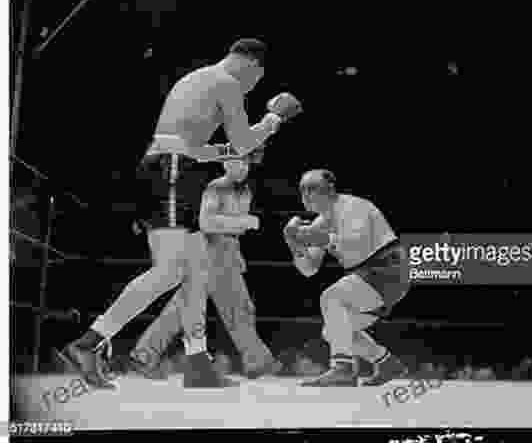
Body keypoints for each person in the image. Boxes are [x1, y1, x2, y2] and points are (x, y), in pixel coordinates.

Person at [57, 38, 302, 389]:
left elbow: (197, 147)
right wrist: (274, 119)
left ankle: (197, 364)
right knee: (170, 270)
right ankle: (89, 342)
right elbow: (245, 143)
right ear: (253, 67)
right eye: (256, 82)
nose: (252, 88)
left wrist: (232, 145)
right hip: (171, 171)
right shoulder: (228, 83)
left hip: (171, 167)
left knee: (195, 272)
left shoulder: (197, 79)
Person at [121, 145, 282, 380]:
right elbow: (207, 222)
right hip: (212, 251)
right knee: (237, 307)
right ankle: (258, 360)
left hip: (223, 252)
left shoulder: (244, 190)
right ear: (226, 163)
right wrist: (244, 222)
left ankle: (143, 355)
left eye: (245, 162)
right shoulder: (216, 187)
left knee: (183, 309)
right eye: (237, 161)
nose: (242, 166)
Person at [283, 169, 410, 387]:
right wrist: (293, 244)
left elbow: (355, 244)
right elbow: (309, 269)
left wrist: (311, 236)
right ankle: (387, 362)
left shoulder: (352, 206)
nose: (306, 194)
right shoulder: (322, 222)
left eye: (312, 188)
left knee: (331, 297)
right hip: (371, 276)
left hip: (388, 268)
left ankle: (343, 368)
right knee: (333, 330)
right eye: (302, 189)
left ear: (330, 189)